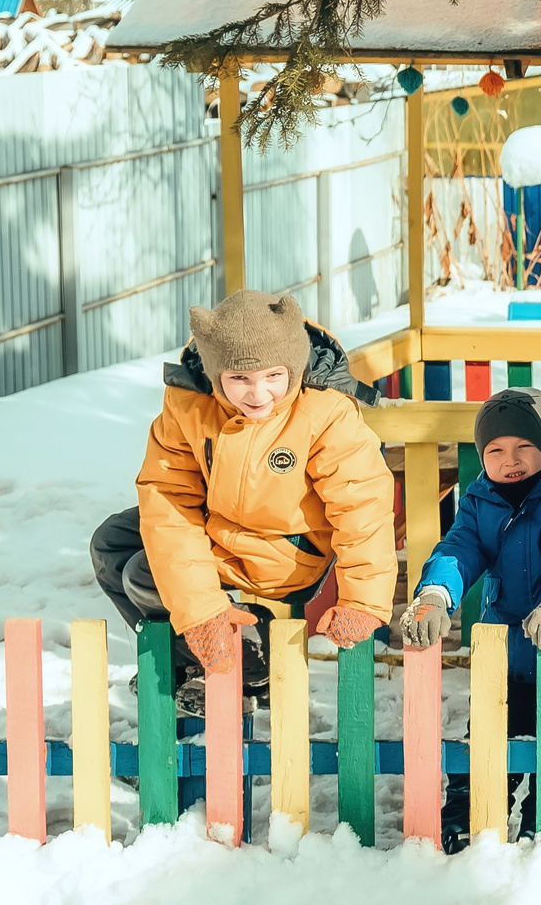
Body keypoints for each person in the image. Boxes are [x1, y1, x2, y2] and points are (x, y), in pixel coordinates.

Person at [90, 289, 391, 719]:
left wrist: (363, 600)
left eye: (273, 376)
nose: (257, 394)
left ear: (294, 367)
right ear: (215, 377)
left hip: (286, 549)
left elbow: (362, 504)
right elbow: (168, 495)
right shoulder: (189, 405)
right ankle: (185, 654)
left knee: (144, 573)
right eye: (239, 380)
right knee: (110, 544)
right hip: (222, 530)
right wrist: (200, 612)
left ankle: (253, 658)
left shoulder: (323, 412)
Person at [397, 387, 541, 847]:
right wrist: (435, 595)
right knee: (486, 751)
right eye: (495, 450)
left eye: (524, 447)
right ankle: (467, 823)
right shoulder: (481, 499)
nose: (511, 459)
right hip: (505, 659)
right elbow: (459, 549)